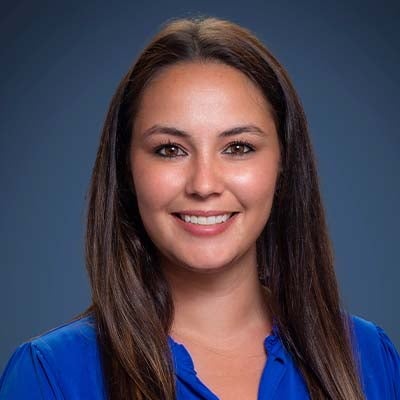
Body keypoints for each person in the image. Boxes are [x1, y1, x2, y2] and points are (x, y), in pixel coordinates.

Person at [0, 16, 399, 400]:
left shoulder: (369, 357)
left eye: (238, 147)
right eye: (170, 150)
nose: (204, 185)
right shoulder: (49, 375)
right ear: (127, 168)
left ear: (284, 163)